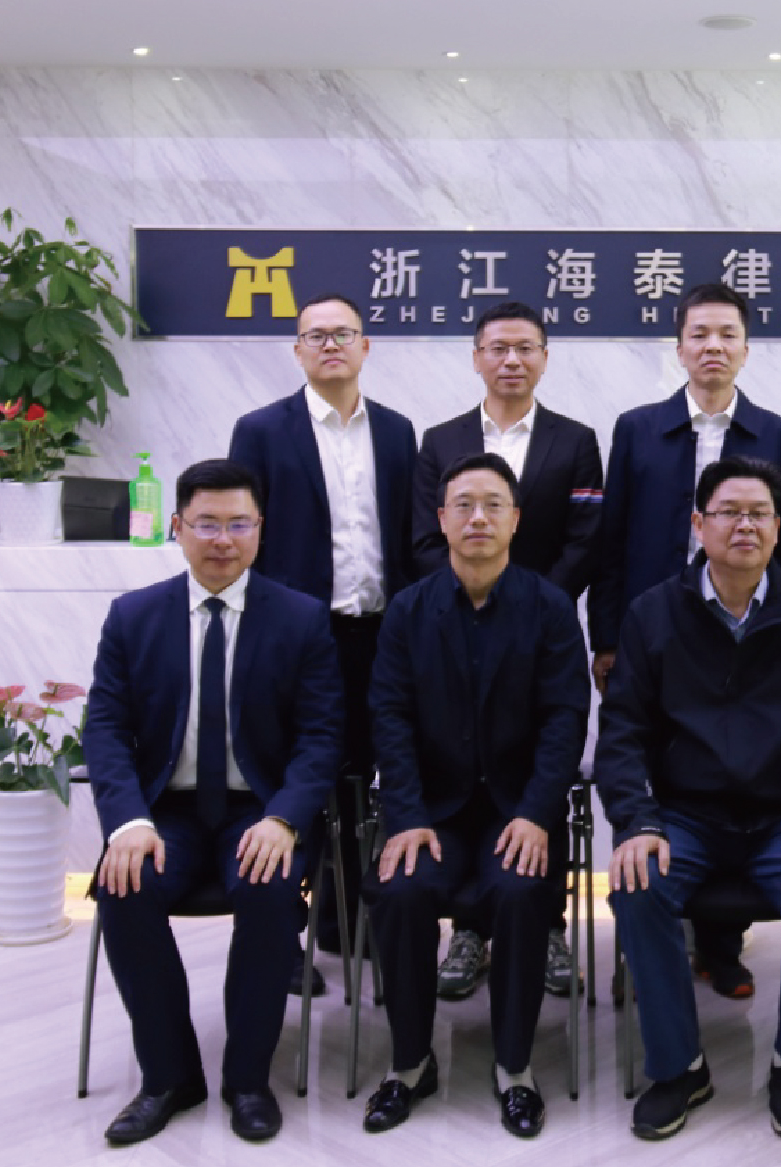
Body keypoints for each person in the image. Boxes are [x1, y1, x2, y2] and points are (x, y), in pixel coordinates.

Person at [596, 456, 781, 1142]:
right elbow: (623, 732)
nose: (744, 525)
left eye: (759, 514)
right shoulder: (654, 612)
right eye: (728, 513)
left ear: (778, 529)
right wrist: (638, 821)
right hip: (685, 816)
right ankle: (678, 1066)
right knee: (636, 883)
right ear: (699, 524)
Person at [83, 458, 343, 1146]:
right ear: (177, 527)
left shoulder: (300, 618)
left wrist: (285, 818)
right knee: (123, 884)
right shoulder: (133, 616)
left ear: (260, 529)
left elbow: (321, 737)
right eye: (206, 523)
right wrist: (127, 821)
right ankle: (169, 1076)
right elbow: (104, 728)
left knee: (268, 887)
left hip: (258, 809)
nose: (222, 539)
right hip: (163, 812)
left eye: (238, 523)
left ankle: (248, 1079)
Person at [588, 282, 781, 998]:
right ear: (679, 346)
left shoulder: (775, 434)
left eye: (727, 335)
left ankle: (720, 943)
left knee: (733, 775)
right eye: (699, 334)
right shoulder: (637, 429)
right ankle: (649, 937)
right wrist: (606, 636)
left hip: (743, 636)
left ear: (746, 348)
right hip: (653, 635)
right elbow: (612, 539)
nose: (713, 347)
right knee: (651, 769)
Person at [361, 453, 589, 1139]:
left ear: (516, 519)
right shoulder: (409, 610)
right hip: (432, 814)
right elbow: (390, 716)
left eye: (493, 505)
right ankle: (410, 1062)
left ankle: (515, 1067)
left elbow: (565, 720)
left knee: (520, 890)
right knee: (401, 890)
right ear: (442, 519)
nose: (478, 518)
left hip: (518, 811)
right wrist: (404, 816)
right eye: (463, 505)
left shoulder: (550, 608)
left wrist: (537, 813)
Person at [413, 301, 603, 1003]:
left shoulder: (575, 440)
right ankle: (469, 930)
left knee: (536, 767)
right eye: (498, 347)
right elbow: (423, 537)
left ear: (545, 358)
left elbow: (586, 535)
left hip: (542, 636)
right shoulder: (440, 441)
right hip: (452, 637)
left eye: (526, 347)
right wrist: (470, 599)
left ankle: (545, 924)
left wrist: (529, 604)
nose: (512, 360)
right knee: (467, 769)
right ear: (477, 357)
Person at [228, 292, 417, 988]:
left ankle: (346, 920)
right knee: (293, 777)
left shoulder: (396, 431)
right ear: (298, 350)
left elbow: (405, 533)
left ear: (366, 345)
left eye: (343, 334)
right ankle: (282, 934)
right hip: (297, 637)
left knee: (365, 779)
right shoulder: (260, 430)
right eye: (316, 335)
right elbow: (246, 534)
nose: (330, 345)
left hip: (379, 634)